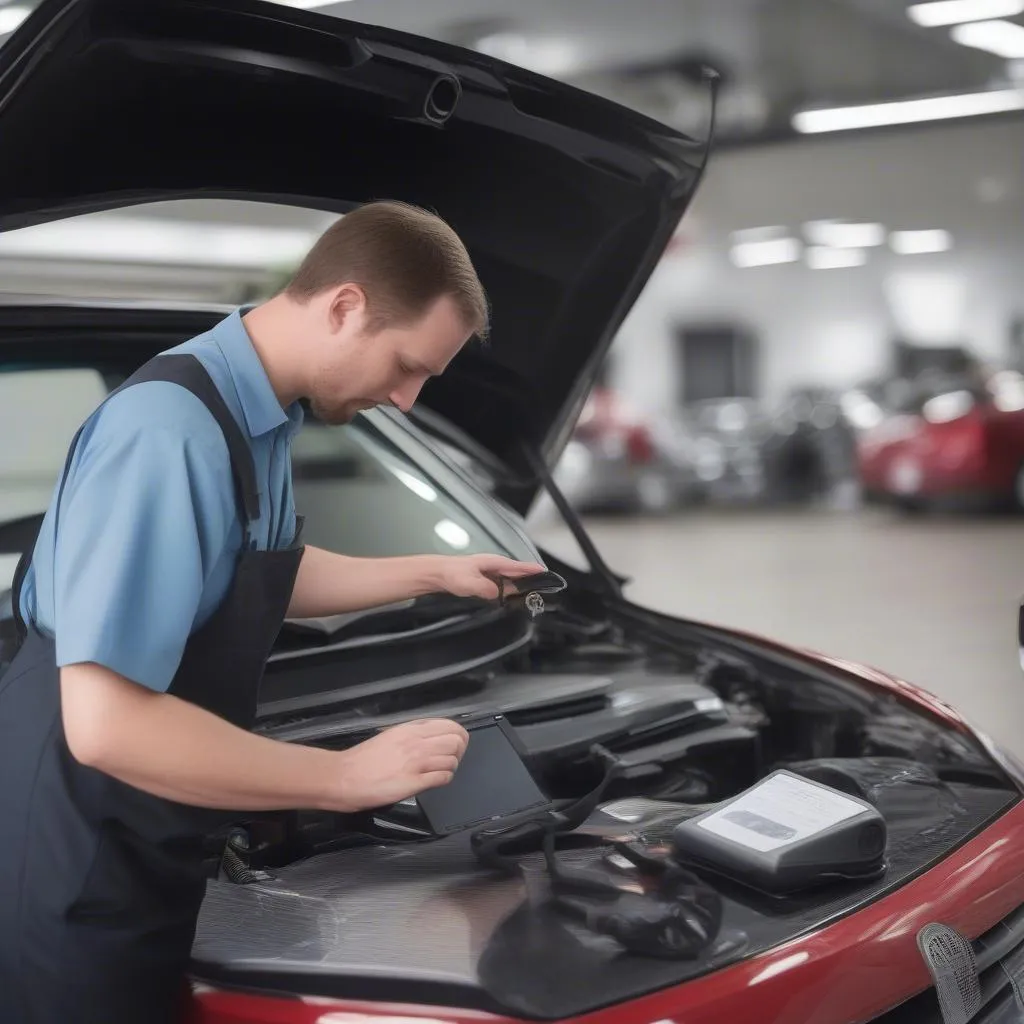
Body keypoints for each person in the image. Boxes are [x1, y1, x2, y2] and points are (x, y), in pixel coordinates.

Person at [0, 200, 545, 1024]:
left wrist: (434, 572)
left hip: (148, 827)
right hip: (80, 842)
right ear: (345, 306)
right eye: (407, 365)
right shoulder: (168, 432)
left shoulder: (263, 416)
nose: (406, 399)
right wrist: (343, 776)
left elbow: (254, 572)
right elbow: (106, 727)